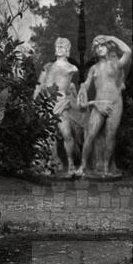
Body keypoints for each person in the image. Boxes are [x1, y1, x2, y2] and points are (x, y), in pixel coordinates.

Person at [75, 35, 132, 177]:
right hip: (99, 103)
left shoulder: (115, 64)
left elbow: (128, 52)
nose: (100, 48)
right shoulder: (93, 68)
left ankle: (106, 169)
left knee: (110, 136)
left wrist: (111, 38)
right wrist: (86, 94)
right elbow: (85, 86)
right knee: (90, 135)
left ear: (108, 46)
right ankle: (82, 166)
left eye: (102, 45)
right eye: (97, 47)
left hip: (115, 103)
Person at [34, 37, 83, 174]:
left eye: (61, 46)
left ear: (67, 49)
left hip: (60, 103)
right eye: (57, 46)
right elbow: (39, 85)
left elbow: (71, 87)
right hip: (46, 102)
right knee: (48, 136)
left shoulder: (71, 68)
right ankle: (50, 164)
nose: (58, 48)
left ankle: (71, 164)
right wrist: (34, 100)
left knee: (66, 134)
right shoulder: (48, 67)